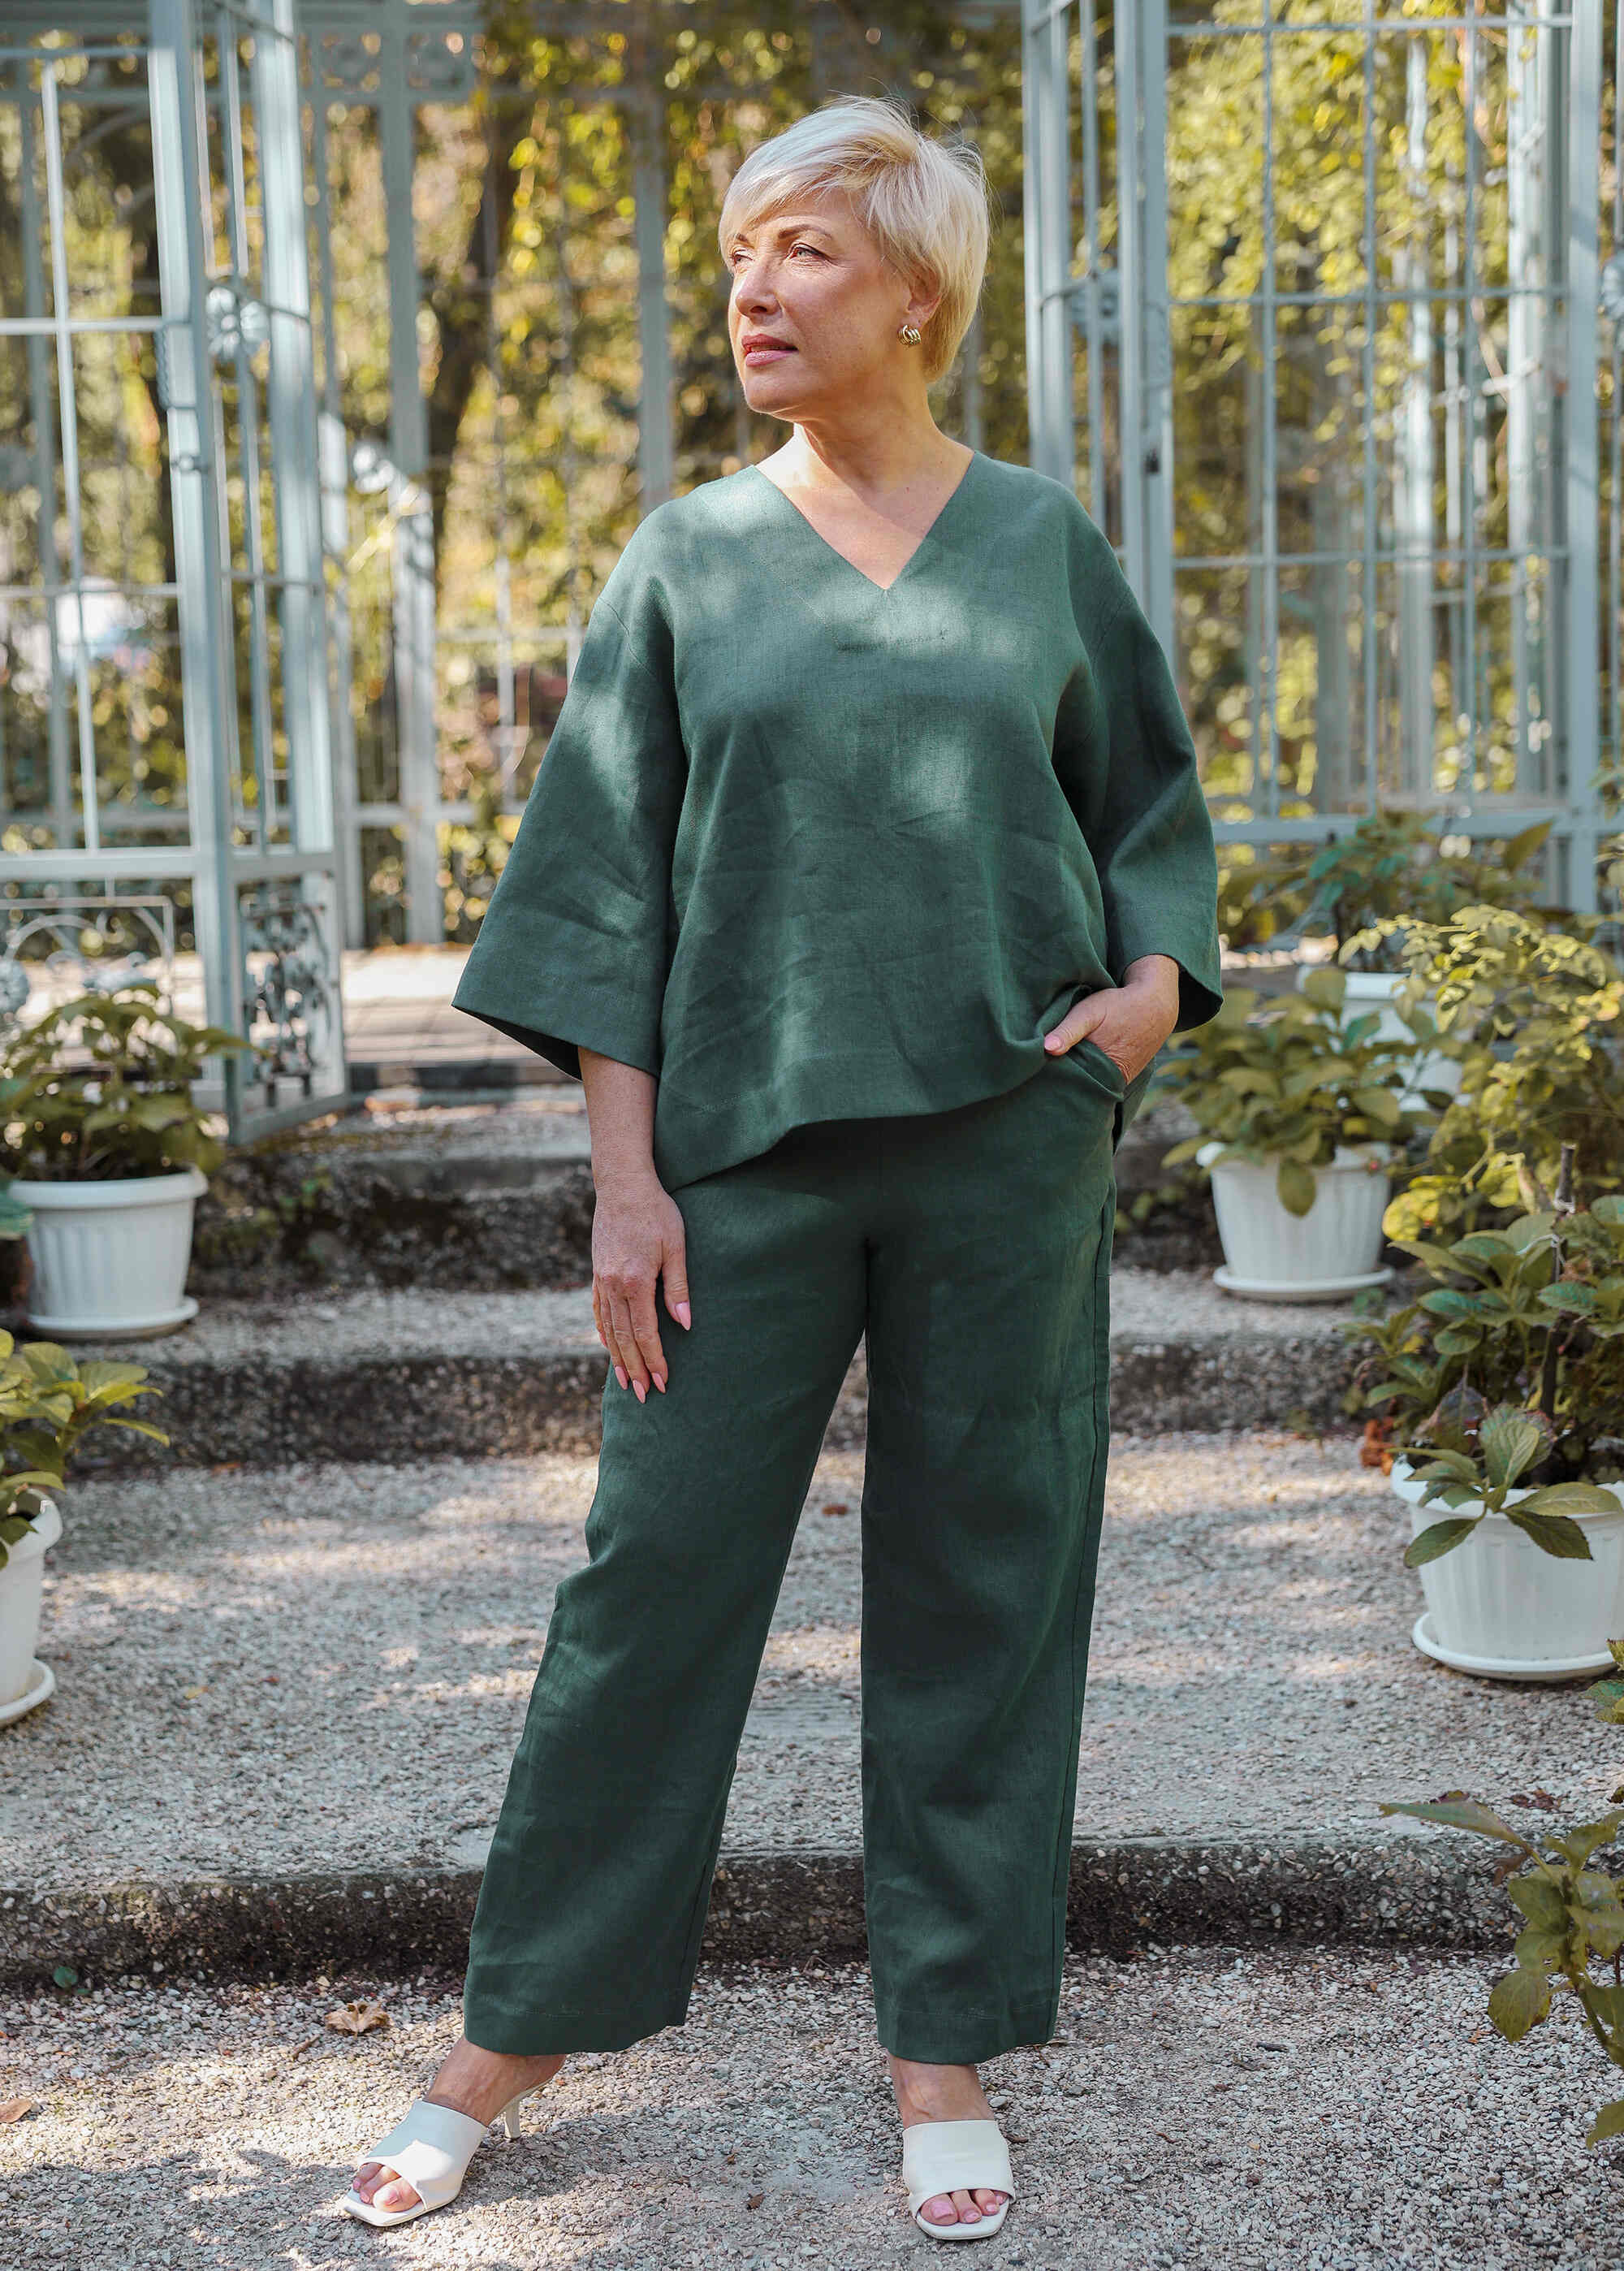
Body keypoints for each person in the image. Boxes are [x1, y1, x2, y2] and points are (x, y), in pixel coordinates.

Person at [339, 91, 1222, 2245]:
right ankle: (515, 2022)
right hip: (733, 1157)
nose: (754, 286)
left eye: (807, 249)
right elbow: (603, 893)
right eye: (742, 250)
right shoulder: (684, 562)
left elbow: (1154, 820)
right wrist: (621, 1182)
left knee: (988, 1586)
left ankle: (944, 2033)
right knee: (651, 1584)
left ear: (918, 288)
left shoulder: (1038, 544)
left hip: (1005, 1144)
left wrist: (1152, 1001)